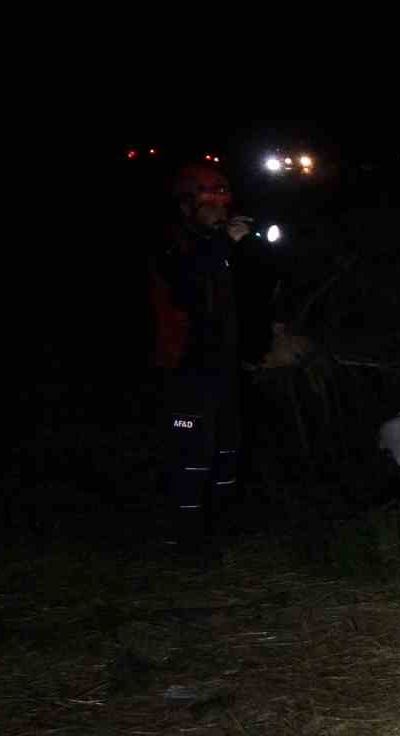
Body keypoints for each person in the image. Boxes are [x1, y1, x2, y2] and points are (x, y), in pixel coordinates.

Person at [147, 161, 251, 550]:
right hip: (185, 365)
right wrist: (225, 243)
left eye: (224, 199)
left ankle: (222, 526)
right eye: (211, 201)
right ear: (188, 203)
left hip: (222, 365)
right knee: (192, 451)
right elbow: (186, 287)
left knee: (227, 447)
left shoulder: (219, 243)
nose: (221, 208)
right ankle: (183, 535)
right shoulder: (174, 243)